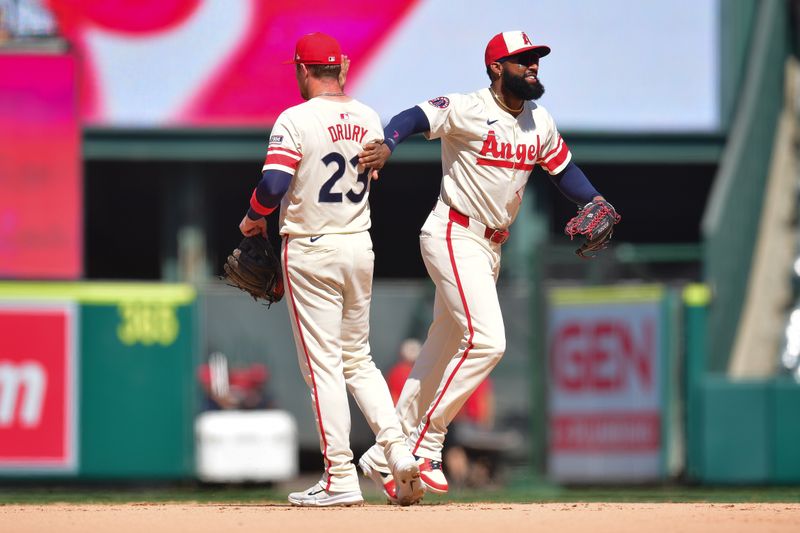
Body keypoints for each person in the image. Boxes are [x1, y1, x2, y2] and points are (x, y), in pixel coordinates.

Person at [357, 30, 615, 495]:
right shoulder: (470, 107)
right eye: (522, 60)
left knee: (438, 353)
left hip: (489, 247)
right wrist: (390, 143)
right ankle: (427, 443)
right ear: (496, 68)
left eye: (536, 59)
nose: (533, 66)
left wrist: (593, 199)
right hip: (454, 231)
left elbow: (564, 170)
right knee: (489, 342)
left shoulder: (539, 121)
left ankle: (383, 452)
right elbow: (414, 116)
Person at [237, 32, 423, 507]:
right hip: (358, 244)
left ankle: (339, 476)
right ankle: (397, 451)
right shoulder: (365, 116)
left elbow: (274, 182)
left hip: (312, 247)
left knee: (323, 367)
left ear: (302, 70)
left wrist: (254, 215)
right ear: (340, 69)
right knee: (358, 359)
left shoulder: (295, 118)